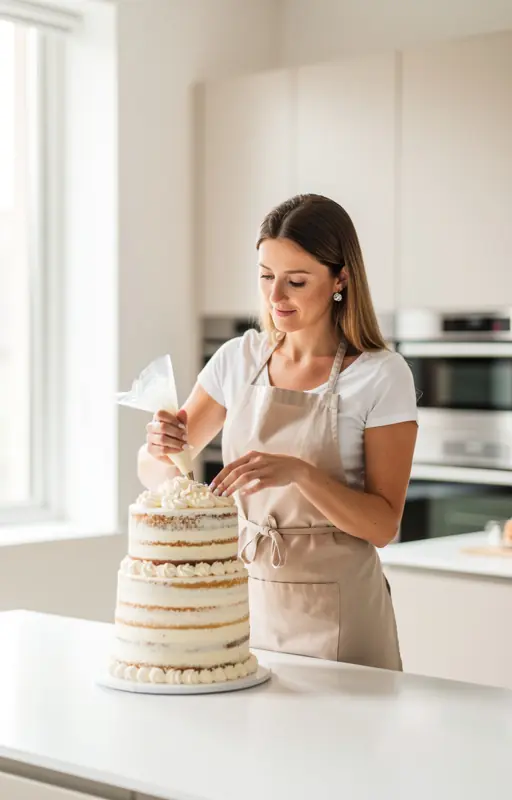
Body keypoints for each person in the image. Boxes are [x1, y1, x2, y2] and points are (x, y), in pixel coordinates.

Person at [138, 194, 418, 670]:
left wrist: (301, 474)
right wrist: (159, 447)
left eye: (296, 281)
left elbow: (382, 525)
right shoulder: (238, 359)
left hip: (342, 614)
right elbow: (159, 475)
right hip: (245, 604)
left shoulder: (381, 375)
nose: (275, 297)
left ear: (341, 279)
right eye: (266, 276)